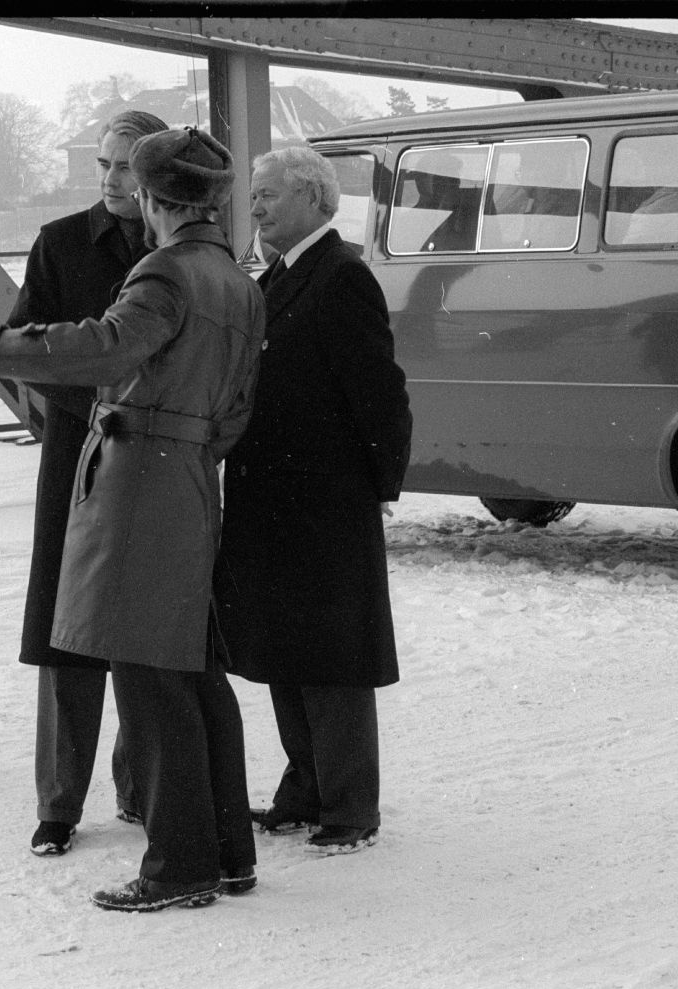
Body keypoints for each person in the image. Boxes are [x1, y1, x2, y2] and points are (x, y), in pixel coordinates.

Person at [0, 126, 265, 912]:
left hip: (138, 486)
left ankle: (178, 868)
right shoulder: (235, 278)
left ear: (151, 199)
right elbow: (237, 409)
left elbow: (107, 348)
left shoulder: (166, 272)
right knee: (190, 672)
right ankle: (224, 853)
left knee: (147, 678)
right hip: (186, 478)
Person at [216, 144, 412, 857]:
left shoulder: (341, 277)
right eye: (255, 196)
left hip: (325, 502)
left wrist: (375, 487)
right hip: (274, 500)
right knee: (286, 649)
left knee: (333, 659)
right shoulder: (278, 278)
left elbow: (380, 395)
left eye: (268, 195)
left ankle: (351, 805)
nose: (256, 207)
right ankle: (304, 789)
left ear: (311, 200)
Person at [6, 110, 168, 858]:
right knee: (64, 630)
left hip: (158, 458)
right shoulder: (60, 243)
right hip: (76, 452)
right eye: (103, 163)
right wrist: (89, 397)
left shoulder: (186, 248)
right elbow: (22, 345)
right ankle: (59, 804)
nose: (109, 178)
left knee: (146, 625)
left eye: (125, 166)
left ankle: (141, 789)